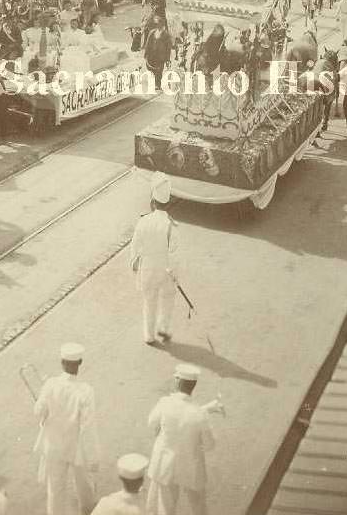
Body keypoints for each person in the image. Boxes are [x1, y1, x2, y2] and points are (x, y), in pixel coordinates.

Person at [146, 364, 222, 515]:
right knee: (197, 504)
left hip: (165, 463)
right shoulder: (199, 414)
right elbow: (209, 445)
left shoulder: (165, 403)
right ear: (193, 385)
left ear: (178, 382)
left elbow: (151, 423)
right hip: (190, 466)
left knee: (165, 506)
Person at [34, 342, 100, 515]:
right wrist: (92, 456)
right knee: (84, 485)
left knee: (55, 490)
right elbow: (88, 426)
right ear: (80, 363)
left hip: (54, 445)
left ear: (62, 362)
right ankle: (88, 511)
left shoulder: (50, 384)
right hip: (76, 447)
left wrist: (42, 408)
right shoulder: (85, 391)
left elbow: (39, 412)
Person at [130, 173, 178, 346]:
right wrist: (175, 273)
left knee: (149, 302)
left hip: (148, 268)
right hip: (165, 269)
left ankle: (148, 336)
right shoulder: (171, 225)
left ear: (152, 203)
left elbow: (135, 245)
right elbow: (174, 252)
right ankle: (163, 328)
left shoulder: (143, 222)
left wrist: (134, 263)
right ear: (169, 205)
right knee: (168, 299)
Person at [143, 17, 173, 90]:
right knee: (151, 68)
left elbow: (168, 47)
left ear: (162, 24)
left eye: (159, 24)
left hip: (160, 55)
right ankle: (153, 82)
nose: (157, 25)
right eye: (156, 24)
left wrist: (167, 58)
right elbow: (148, 43)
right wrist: (146, 53)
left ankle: (157, 84)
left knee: (159, 70)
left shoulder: (166, 34)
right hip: (152, 54)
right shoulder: (152, 32)